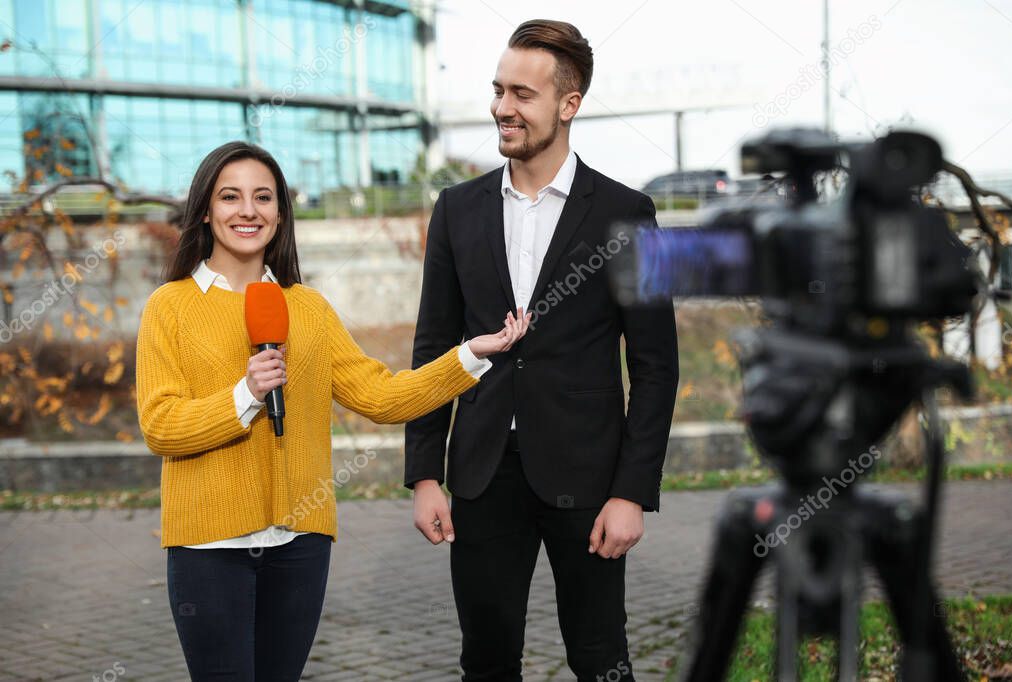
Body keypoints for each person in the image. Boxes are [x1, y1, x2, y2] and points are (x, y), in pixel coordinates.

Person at [135, 140, 530, 680]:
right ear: (206, 209)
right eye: (230, 197)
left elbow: (382, 396)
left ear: (280, 212)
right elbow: (161, 426)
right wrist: (246, 395)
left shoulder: (308, 309)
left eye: (263, 197)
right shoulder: (170, 307)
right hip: (209, 547)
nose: (247, 211)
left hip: (301, 544)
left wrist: (468, 355)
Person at [404, 19, 679, 682]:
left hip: (588, 478)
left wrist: (631, 494)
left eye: (522, 94)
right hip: (480, 472)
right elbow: (432, 346)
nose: (502, 107)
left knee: (599, 659)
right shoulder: (456, 209)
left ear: (568, 103)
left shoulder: (627, 214)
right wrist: (423, 474)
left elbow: (654, 365)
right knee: (488, 660)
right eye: (498, 90)